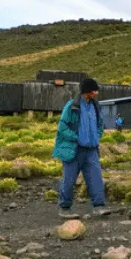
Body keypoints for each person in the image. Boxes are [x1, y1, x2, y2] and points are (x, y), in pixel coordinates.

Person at [52, 78, 110, 218]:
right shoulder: (72, 106)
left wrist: (97, 135)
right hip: (74, 149)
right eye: (94, 90)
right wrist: (77, 138)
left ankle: (99, 206)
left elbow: (100, 124)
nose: (96, 93)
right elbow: (62, 127)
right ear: (87, 91)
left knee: (95, 177)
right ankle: (64, 208)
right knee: (69, 179)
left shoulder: (95, 106)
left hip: (91, 149)